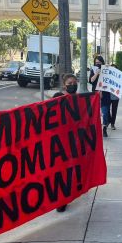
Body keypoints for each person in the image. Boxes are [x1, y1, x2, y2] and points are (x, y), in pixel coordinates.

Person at [52, 73, 78, 212]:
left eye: (74, 82)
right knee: (60, 171)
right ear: (64, 85)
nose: (73, 85)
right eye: (70, 83)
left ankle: (65, 197)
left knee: (69, 169)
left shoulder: (79, 99)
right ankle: (60, 200)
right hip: (59, 141)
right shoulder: (57, 97)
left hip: (73, 141)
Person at [89, 55, 111, 137]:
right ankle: (96, 128)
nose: (97, 64)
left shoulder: (106, 69)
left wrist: (108, 68)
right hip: (95, 94)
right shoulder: (93, 70)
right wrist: (97, 73)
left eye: (99, 63)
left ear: (102, 63)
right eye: (96, 63)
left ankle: (104, 127)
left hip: (105, 94)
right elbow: (91, 80)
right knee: (96, 113)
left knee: (105, 113)